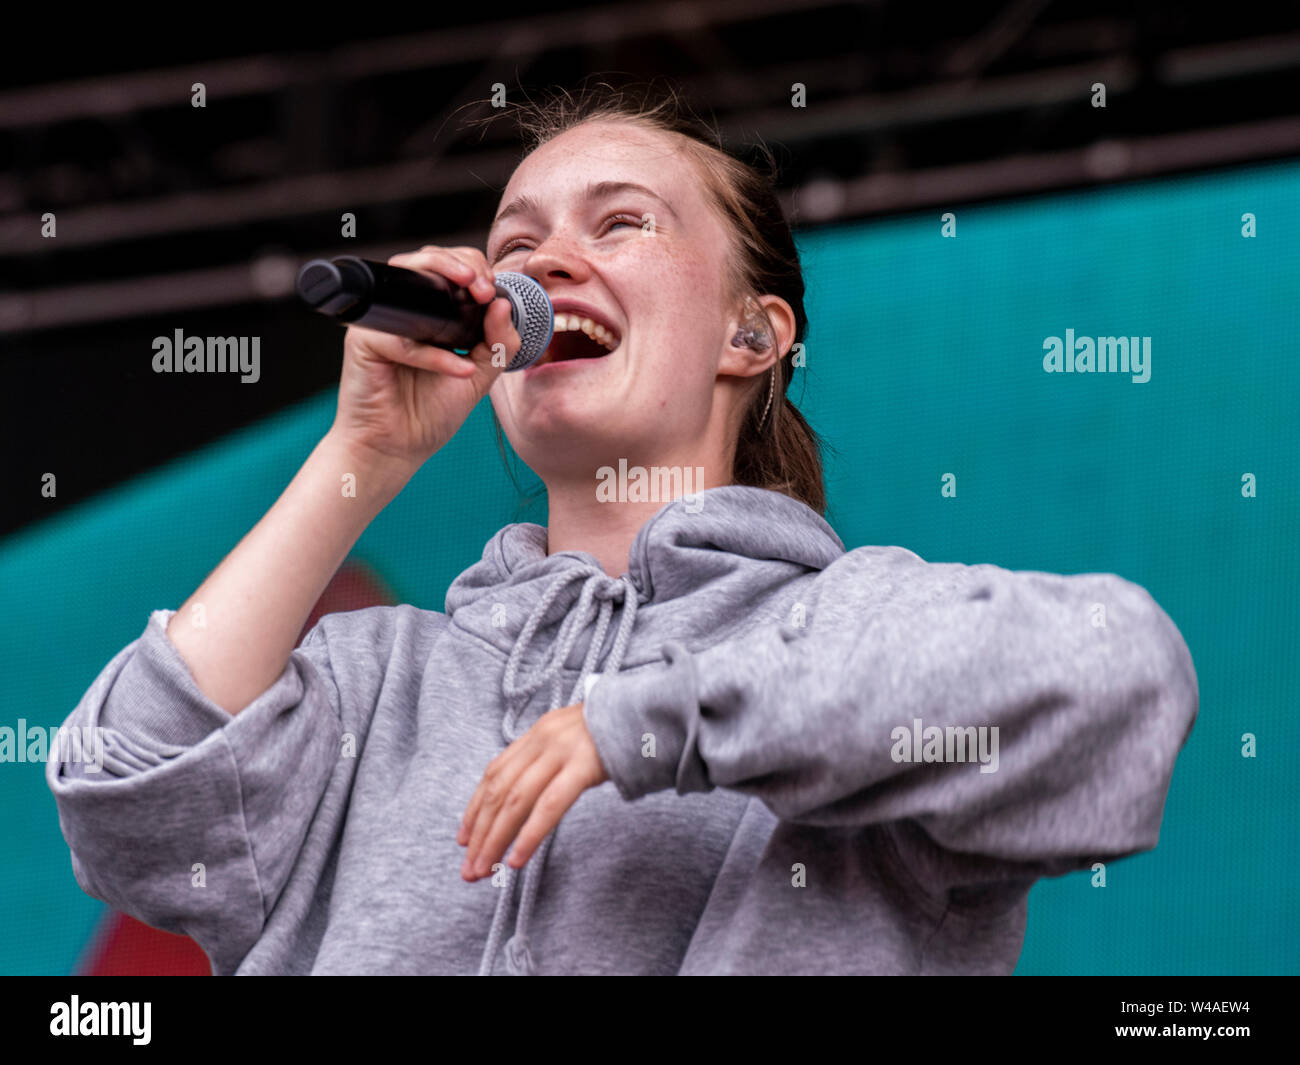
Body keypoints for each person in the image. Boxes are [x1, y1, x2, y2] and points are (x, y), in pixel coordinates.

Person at [46, 83, 1199, 976]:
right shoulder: (372, 684)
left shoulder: (846, 634)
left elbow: (1120, 675)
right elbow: (129, 794)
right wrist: (364, 456)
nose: (545, 261)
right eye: (516, 244)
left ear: (751, 336)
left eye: (623, 222)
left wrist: (652, 725)